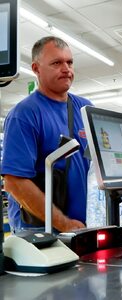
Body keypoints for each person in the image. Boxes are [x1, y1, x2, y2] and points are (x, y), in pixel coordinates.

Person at [1, 36, 92, 233]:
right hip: (41, 233)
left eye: (69, 62)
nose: (66, 68)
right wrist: (64, 224)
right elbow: (14, 182)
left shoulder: (85, 108)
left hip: (84, 229)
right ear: (36, 68)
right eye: (56, 63)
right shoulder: (24, 114)